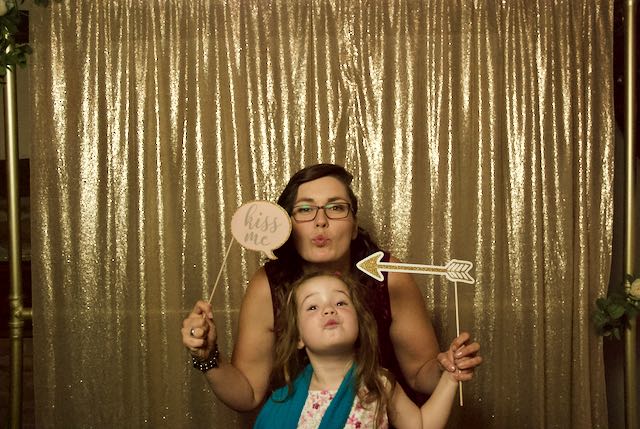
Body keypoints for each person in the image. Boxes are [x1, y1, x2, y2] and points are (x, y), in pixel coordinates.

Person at [182, 163, 481, 413]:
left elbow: (420, 376)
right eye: (305, 210)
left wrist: (445, 368)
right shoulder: (267, 285)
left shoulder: (390, 275)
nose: (321, 221)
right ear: (288, 226)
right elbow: (247, 394)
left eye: (336, 208)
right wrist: (208, 357)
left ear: (353, 226)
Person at [253, 271, 461, 429]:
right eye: (312, 307)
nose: (329, 309)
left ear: (359, 323)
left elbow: (421, 425)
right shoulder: (284, 399)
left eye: (341, 302)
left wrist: (450, 378)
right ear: (298, 337)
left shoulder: (378, 383)